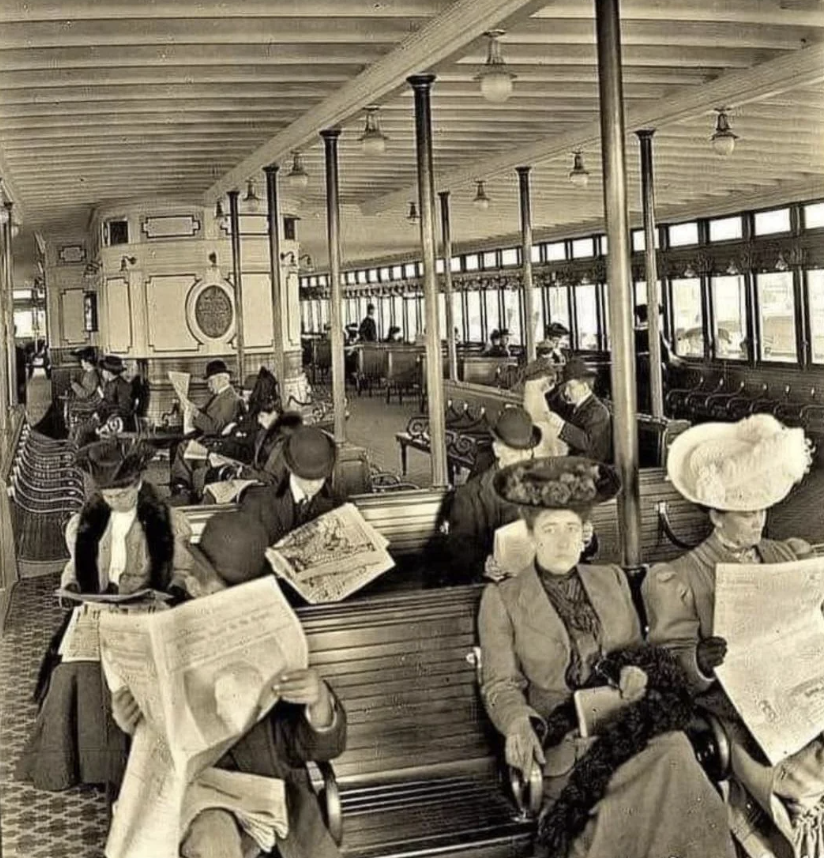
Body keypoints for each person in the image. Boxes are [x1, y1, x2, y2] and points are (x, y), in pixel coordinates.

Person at [479, 456, 736, 858]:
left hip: (632, 728)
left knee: (678, 755)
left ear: (585, 534)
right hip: (570, 748)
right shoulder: (503, 599)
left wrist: (636, 671)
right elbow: (500, 683)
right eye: (550, 530)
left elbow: (639, 652)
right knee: (624, 805)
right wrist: (517, 723)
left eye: (572, 529)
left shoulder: (611, 578)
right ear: (532, 535)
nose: (564, 542)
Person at [112, 515, 347, 858]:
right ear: (194, 581)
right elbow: (148, 752)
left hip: (268, 793)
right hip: (200, 794)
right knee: (213, 839)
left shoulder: (273, 634)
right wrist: (129, 722)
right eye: (224, 590)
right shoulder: (167, 632)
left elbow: (310, 747)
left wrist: (319, 702)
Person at [643, 415, 821, 852]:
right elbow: (669, 670)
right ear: (716, 515)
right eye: (746, 513)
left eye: (761, 510)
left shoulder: (788, 554)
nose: (758, 521)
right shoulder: (677, 578)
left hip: (805, 696)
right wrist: (700, 661)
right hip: (743, 714)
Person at [18, 439, 202, 792]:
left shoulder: (164, 521)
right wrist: (71, 587)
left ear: (136, 485)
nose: (113, 502)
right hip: (99, 610)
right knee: (74, 671)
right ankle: (93, 764)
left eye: (121, 495)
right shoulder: (86, 524)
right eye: (107, 496)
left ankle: (138, 761)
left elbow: (182, 569)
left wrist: (172, 588)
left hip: (147, 611)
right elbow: (74, 567)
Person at [438, 407, 540, 583]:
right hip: (498, 589)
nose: (525, 459)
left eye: (528, 451)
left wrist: (585, 538)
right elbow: (458, 549)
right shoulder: (469, 495)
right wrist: (483, 565)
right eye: (516, 451)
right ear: (497, 450)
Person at [240, 426, 339, 549]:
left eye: (321, 477)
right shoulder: (257, 504)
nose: (315, 485)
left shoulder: (336, 503)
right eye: (308, 478)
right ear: (292, 470)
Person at [170, 360, 243, 498]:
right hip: (212, 439)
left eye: (210, 381)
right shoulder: (221, 397)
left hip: (218, 443)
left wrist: (195, 413)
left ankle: (181, 487)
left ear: (222, 379)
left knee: (182, 447)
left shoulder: (229, 399)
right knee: (178, 445)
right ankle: (181, 485)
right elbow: (206, 416)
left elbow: (214, 428)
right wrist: (190, 409)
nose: (209, 386)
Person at [544, 358, 612, 463]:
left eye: (570, 387)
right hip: (575, 462)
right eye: (565, 388)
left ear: (584, 387)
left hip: (590, 467)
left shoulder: (598, 412)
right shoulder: (574, 406)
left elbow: (589, 444)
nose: (566, 393)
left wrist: (562, 426)